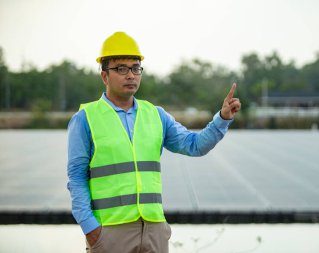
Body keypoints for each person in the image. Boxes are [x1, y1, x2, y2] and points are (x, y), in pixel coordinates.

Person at [67, 31, 241, 253]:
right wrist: (91, 228)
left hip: (154, 230)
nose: (131, 75)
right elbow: (76, 178)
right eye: (121, 68)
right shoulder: (85, 118)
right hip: (109, 233)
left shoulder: (156, 115)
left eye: (135, 68)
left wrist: (223, 118)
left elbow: (194, 145)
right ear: (104, 76)